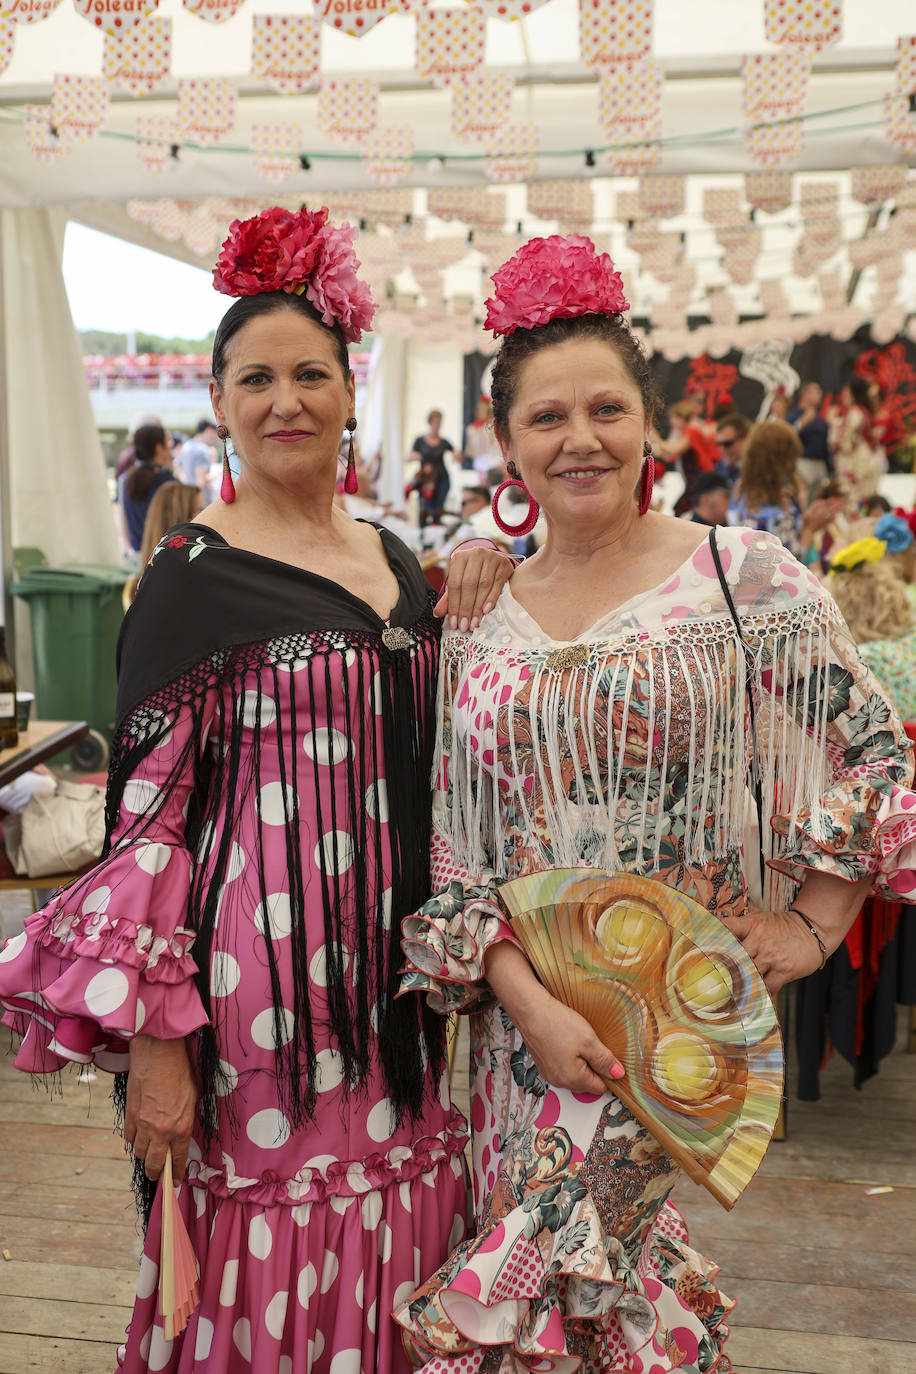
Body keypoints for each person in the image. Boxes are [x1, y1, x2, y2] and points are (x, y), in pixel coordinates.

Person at [0, 205, 515, 1374]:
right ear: (221, 405)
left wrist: (490, 561)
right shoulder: (190, 578)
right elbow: (147, 828)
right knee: (266, 1240)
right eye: (255, 379)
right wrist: (161, 1049)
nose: (286, 399)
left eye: (310, 374)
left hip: (396, 984)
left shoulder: (392, 558)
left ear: (348, 391)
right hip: (258, 990)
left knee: (405, 1222)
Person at [393, 233, 916, 1371]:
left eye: (606, 410)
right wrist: (525, 1001)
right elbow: (450, 839)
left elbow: (879, 755)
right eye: (546, 418)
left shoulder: (746, 579)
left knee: (578, 1292)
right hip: (514, 1026)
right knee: (557, 1295)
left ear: (652, 424)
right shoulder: (474, 610)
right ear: (505, 441)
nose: (579, 439)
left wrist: (814, 926)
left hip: (668, 1021)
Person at [118, 423, 176, 555]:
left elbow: (123, 521)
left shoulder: (125, 479)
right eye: (168, 442)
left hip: (136, 554)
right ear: (159, 448)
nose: (170, 445)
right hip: (162, 557)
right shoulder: (168, 482)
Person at [828, 376, 883, 504]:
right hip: (865, 459)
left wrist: (832, 422)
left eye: (846, 392)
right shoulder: (863, 411)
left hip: (856, 462)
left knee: (853, 498)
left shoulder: (855, 412)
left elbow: (845, 442)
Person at [786, 380, 831, 487]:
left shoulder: (820, 418)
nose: (820, 395)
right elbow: (785, 437)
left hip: (821, 465)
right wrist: (801, 423)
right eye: (817, 391)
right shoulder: (793, 414)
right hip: (802, 463)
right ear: (805, 393)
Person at [176, 417, 217, 493]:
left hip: (187, 495)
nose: (216, 437)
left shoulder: (186, 446)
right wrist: (219, 473)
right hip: (201, 499)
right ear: (209, 430)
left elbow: (177, 470)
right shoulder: (202, 450)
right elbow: (201, 481)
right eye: (215, 432)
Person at [713, 411, 750, 484]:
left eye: (728, 443)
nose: (722, 449)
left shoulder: (759, 470)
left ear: (745, 439)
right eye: (719, 444)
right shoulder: (720, 467)